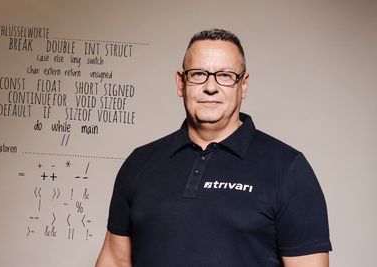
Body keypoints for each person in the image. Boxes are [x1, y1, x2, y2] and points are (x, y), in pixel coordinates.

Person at [95, 29, 332, 267]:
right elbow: (114, 260)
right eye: (198, 74)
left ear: (244, 85)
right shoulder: (139, 162)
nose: (211, 87)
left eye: (226, 75)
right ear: (181, 82)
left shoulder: (288, 168)